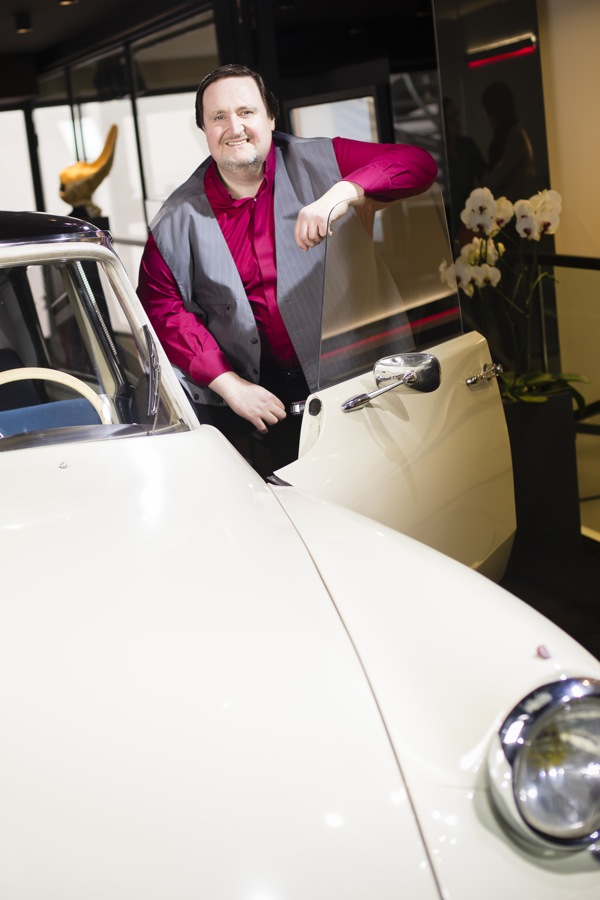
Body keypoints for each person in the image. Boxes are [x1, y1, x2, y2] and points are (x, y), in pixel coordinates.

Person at [137, 64, 437, 473]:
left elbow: (418, 163)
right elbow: (162, 308)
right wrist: (230, 385)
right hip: (266, 399)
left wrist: (342, 193)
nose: (235, 128)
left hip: (363, 377)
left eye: (246, 112)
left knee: (390, 483)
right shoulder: (175, 218)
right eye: (219, 117)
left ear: (271, 118)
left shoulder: (325, 159)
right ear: (204, 130)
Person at [481, 81, 535, 201]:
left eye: (486, 109)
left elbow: (496, 178)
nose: (483, 115)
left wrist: (485, 178)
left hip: (513, 208)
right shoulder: (505, 137)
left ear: (494, 110)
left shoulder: (515, 137)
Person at [442, 97, 485, 240]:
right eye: (451, 118)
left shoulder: (468, 146)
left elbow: (485, 177)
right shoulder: (439, 154)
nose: (456, 121)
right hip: (447, 221)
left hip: (469, 218)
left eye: (456, 115)